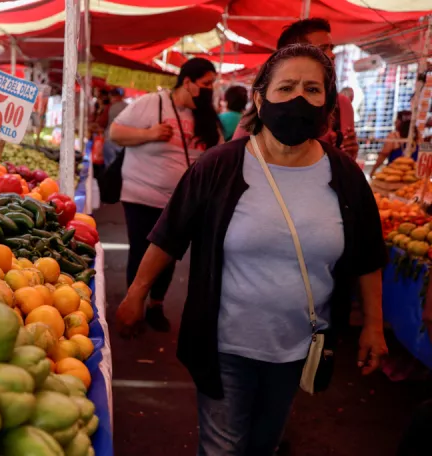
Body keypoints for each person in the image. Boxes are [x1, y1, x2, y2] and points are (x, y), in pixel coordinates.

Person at [116, 45, 388, 455]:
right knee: (223, 448)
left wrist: (374, 324)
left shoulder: (346, 177)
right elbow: (170, 233)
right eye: (287, 87)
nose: (299, 99)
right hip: (225, 343)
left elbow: (367, 255)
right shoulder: (219, 166)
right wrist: (137, 293)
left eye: (312, 90)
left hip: (298, 346)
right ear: (260, 98)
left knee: (264, 444)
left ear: (328, 105)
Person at [109, 57, 222, 332]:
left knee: (169, 253)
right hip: (141, 194)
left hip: (180, 201)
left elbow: (218, 151)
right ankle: (133, 305)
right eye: (206, 83)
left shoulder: (205, 114)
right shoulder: (152, 103)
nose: (210, 89)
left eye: (212, 84)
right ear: (187, 81)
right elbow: (116, 133)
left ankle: (155, 305)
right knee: (140, 251)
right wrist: (150, 133)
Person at [233, 18, 359, 160]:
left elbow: (346, 159)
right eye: (323, 49)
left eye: (331, 48)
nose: (332, 55)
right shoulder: (267, 104)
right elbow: (233, 158)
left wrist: (347, 155)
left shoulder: (342, 105)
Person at [369, 110, 420, 178]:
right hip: (413, 175)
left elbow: (383, 155)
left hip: (394, 176)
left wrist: (373, 170)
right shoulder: (418, 137)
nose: (395, 122)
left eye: (397, 119)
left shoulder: (393, 137)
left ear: (400, 121)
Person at [102, 88, 128, 167]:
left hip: (111, 139)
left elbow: (103, 123)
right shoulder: (128, 106)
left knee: (110, 165)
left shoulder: (110, 107)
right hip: (124, 141)